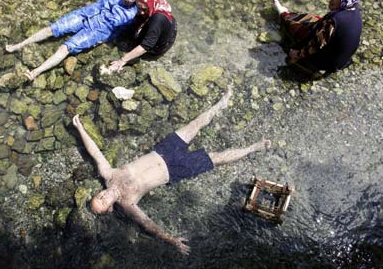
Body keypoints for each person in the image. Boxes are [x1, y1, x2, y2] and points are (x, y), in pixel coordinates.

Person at [72, 87, 271, 255]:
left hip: (163, 150)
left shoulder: (109, 175)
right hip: (176, 170)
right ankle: (253, 147)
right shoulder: (128, 203)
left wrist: (80, 128)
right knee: (217, 158)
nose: (104, 196)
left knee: (194, 124)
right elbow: (148, 225)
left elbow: (95, 153)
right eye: (104, 202)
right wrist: (171, 240)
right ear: (110, 208)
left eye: (99, 196)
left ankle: (222, 103)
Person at [5, 0, 143, 80]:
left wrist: (104, 40)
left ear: (136, 0)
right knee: (52, 29)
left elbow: (118, 32)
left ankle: (35, 72)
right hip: (84, 15)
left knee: (65, 48)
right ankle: (19, 45)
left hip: (96, 31)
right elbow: (97, 4)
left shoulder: (131, 15)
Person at [272, 0, 362, 74]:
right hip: (342, 61)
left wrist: (297, 54)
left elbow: (316, 45)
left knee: (296, 29)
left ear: (345, 0)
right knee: (315, 20)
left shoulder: (334, 20)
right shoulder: (354, 10)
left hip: (326, 62)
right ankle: (288, 15)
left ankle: (284, 14)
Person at [108, 0, 177, 72]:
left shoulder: (158, 19)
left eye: (144, 9)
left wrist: (122, 60)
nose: (141, 12)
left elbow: (146, 46)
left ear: (151, 5)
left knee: (123, 46)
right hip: (162, 27)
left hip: (156, 48)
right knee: (132, 24)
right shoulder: (156, 4)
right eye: (139, 8)